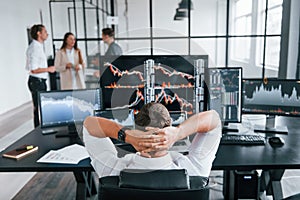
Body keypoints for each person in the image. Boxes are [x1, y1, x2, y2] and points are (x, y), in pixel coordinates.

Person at [83, 102, 221, 179]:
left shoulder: (112, 170)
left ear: (136, 127)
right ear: (170, 125)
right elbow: (214, 119)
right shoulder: (194, 170)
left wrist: (128, 135)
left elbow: (88, 124)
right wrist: (178, 132)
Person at [25, 24, 56, 128]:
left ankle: (41, 129)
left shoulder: (37, 46)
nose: (47, 34)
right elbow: (33, 69)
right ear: (39, 33)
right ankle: (39, 130)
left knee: (40, 107)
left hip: (38, 81)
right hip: (36, 81)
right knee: (39, 108)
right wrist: (49, 69)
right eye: (45, 31)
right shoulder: (35, 48)